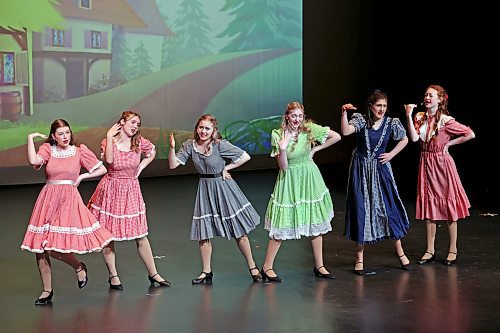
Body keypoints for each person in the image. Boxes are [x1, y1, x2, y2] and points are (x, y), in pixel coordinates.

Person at [21, 119, 114, 305]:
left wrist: (82, 176)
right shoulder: (48, 149)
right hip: (47, 198)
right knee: (40, 247)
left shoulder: (79, 151)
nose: (65, 136)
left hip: (68, 200)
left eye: (67, 132)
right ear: (54, 136)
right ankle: (47, 290)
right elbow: (34, 161)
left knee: (54, 246)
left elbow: (102, 168)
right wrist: (30, 138)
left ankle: (78, 267)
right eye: (61, 133)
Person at [168, 114, 261, 284]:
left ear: (213, 131)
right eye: (201, 127)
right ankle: (206, 271)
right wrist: (172, 148)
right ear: (197, 128)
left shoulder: (219, 145)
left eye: (207, 129)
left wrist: (227, 167)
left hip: (223, 188)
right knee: (204, 232)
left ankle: (252, 266)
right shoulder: (190, 145)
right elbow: (173, 165)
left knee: (238, 230)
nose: (203, 131)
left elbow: (245, 156)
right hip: (205, 188)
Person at [88, 111, 171, 289]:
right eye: (132, 122)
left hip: (131, 190)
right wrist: (110, 135)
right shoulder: (108, 141)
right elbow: (109, 160)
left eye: (138, 124)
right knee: (108, 235)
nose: (135, 126)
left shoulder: (139, 142)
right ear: (122, 123)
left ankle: (153, 274)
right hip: (111, 190)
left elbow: (152, 152)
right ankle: (113, 275)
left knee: (141, 234)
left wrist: (140, 167)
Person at [262, 101, 341, 282]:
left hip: (309, 177)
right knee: (281, 225)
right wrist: (282, 149)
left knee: (315, 221)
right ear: (287, 116)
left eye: (300, 116)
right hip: (289, 179)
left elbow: (336, 136)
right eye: (293, 116)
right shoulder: (278, 134)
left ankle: (319, 265)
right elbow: (283, 167)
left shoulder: (309, 129)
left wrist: (315, 149)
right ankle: (267, 267)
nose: (297, 119)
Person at [341, 90, 411, 275]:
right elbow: (346, 131)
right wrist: (343, 113)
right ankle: (359, 258)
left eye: (384, 106)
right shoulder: (361, 120)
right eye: (378, 105)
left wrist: (391, 154)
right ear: (371, 106)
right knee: (361, 209)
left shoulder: (391, 123)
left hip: (380, 170)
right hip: (361, 169)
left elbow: (404, 139)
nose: (381, 109)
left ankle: (401, 253)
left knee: (389, 210)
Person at [405, 85, 475, 266]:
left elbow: (470, 134)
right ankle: (430, 250)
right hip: (426, 163)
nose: (427, 97)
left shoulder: (445, 120)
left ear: (440, 99)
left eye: (431, 95)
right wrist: (408, 115)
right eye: (426, 94)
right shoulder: (420, 117)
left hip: (442, 165)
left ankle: (453, 249)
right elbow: (413, 139)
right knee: (430, 207)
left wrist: (449, 144)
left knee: (449, 207)